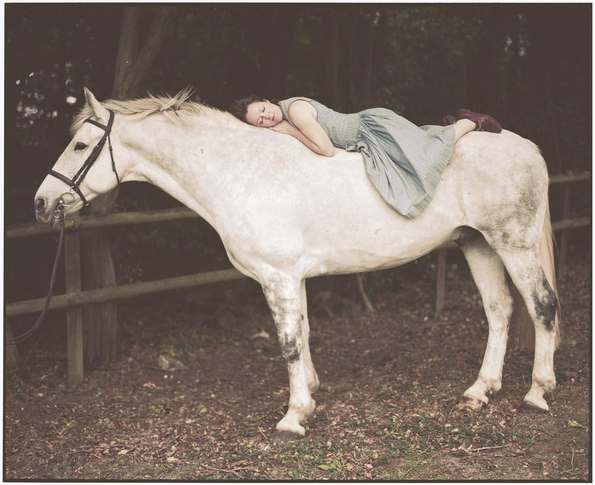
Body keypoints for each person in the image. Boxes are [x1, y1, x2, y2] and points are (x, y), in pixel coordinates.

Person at [230, 95, 502, 218]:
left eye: (263, 111)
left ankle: (468, 122)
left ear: (266, 100)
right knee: (416, 147)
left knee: (425, 158)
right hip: (361, 138)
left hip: (370, 128)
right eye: (261, 122)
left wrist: (289, 131)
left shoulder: (296, 113)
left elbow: (325, 149)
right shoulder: (288, 114)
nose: (267, 118)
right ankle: (445, 127)